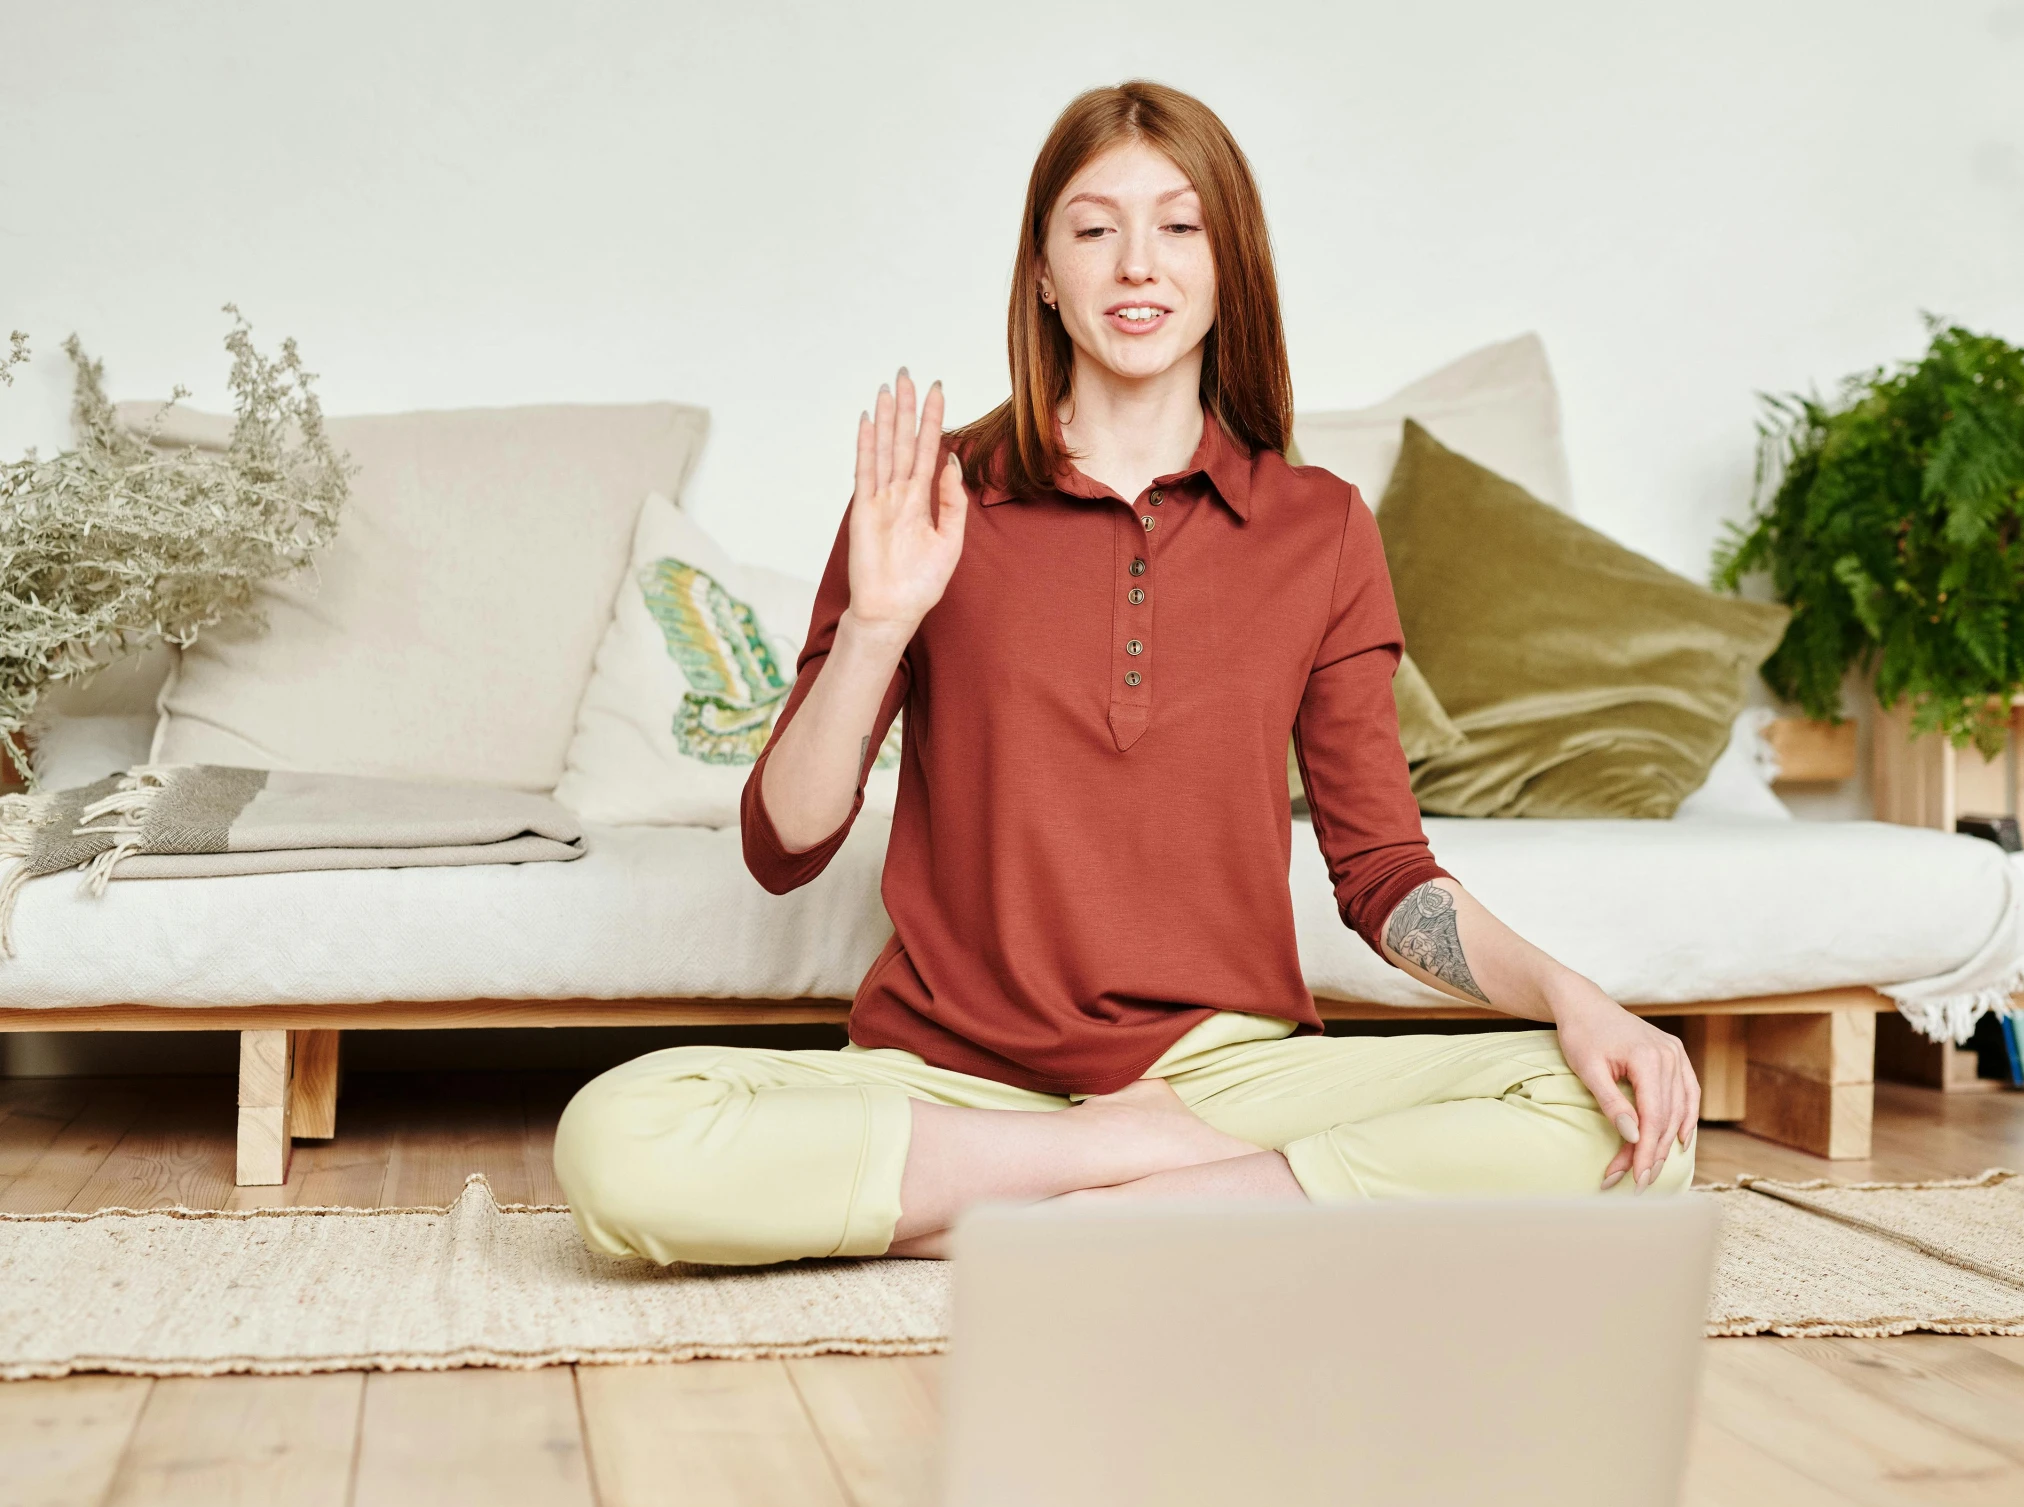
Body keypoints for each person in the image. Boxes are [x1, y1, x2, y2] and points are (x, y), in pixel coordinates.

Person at [553, 80, 1698, 1266]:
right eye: (1094, 229)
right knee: (622, 1136)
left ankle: (1030, 1221)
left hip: (1224, 1074)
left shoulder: (1321, 529)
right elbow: (780, 846)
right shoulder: (931, 498)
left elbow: (1382, 874)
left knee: (1629, 1120)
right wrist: (880, 623)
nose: (1136, 265)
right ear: (1043, 272)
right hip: (950, 1081)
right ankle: (1145, 1183)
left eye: (1179, 227)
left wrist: (1571, 993)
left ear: (1227, 265)